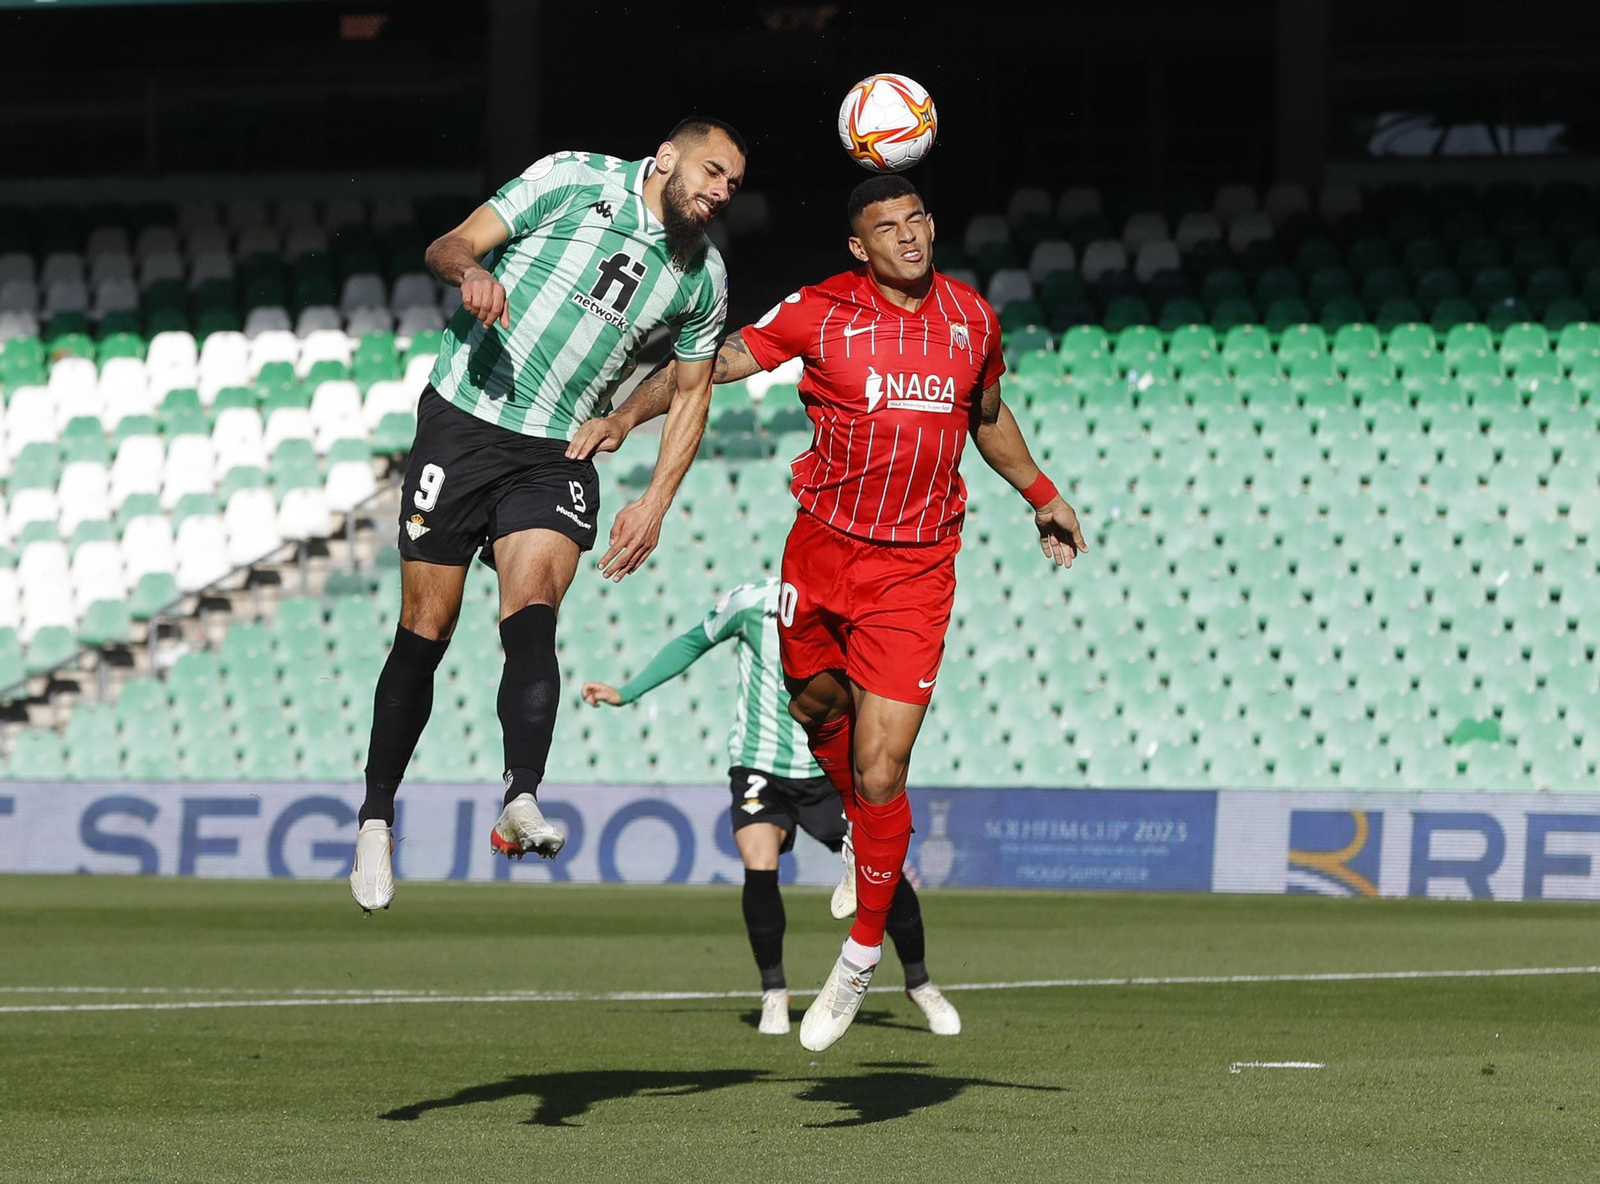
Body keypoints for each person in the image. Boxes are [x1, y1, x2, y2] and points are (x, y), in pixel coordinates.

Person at [569, 173, 1087, 1050]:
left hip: (915, 570)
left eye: (917, 219)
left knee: (883, 770)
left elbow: (987, 415)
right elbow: (710, 365)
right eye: (888, 227)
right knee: (814, 706)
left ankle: (857, 958)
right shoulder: (820, 312)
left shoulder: (972, 320)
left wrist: (1044, 495)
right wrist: (627, 415)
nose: (909, 236)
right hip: (819, 554)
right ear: (859, 246)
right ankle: (860, 840)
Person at [348, 120, 747, 916]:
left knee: (532, 612)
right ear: (667, 157)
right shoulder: (572, 178)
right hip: (464, 424)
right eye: (712, 171)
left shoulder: (703, 276)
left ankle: (520, 795)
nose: (722, 191)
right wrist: (472, 272)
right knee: (426, 629)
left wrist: (655, 501)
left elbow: (692, 391)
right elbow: (449, 246)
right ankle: (375, 819)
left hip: (556, 452)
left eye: (734, 184)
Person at [579, 577, 960, 1038]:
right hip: (759, 765)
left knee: (881, 870)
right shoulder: (751, 602)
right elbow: (694, 640)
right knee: (759, 864)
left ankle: (919, 982)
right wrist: (629, 691)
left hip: (826, 768)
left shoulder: (850, 603)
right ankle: (774, 991)